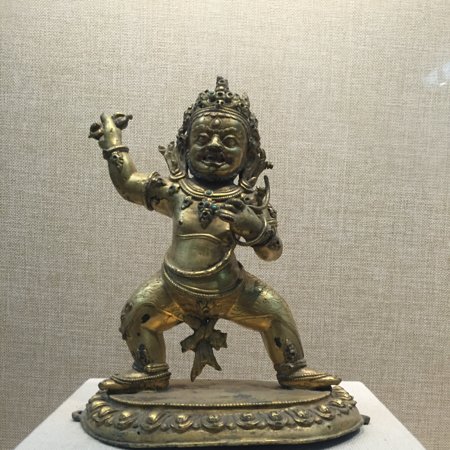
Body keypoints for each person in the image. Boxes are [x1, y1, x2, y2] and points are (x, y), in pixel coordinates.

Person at [90, 77, 340, 393]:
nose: (215, 145)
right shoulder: (176, 191)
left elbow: (272, 251)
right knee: (135, 314)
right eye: (203, 138)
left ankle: (292, 368)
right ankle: (150, 369)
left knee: (277, 314)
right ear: (185, 147)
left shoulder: (248, 199)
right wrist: (112, 141)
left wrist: (254, 227)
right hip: (173, 288)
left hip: (232, 290)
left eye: (229, 140)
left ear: (248, 154)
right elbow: (128, 184)